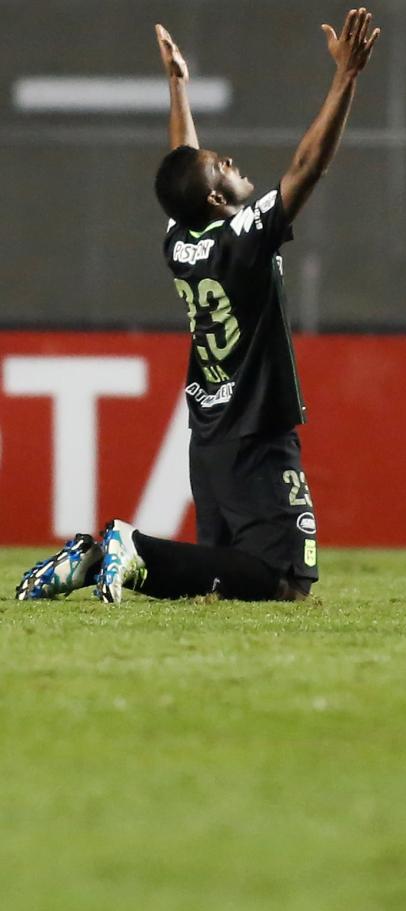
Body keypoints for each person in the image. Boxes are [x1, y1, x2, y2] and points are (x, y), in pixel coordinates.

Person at [15, 10, 381, 603]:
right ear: (216, 198)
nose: (232, 163)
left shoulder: (181, 240)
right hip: (255, 429)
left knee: (226, 573)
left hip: (210, 433)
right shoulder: (242, 239)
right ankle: (132, 547)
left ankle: (97, 557)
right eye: (224, 168)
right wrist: (346, 79)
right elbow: (308, 166)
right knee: (286, 580)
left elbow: (185, 165)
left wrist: (178, 87)